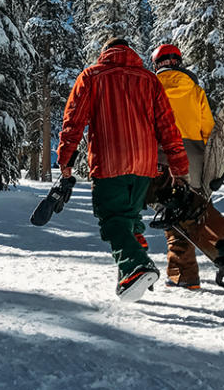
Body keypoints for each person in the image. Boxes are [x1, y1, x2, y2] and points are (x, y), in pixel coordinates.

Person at [58, 38, 189, 301]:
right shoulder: (149, 80)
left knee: (112, 221)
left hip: (109, 162)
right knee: (128, 218)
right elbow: (167, 126)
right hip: (144, 165)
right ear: (130, 53)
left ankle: (136, 267)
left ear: (105, 53)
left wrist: (65, 160)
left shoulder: (92, 76)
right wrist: (179, 166)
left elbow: (74, 120)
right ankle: (131, 274)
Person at [151, 44, 214, 290]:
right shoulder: (196, 90)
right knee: (192, 211)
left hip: (163, 154)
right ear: (178, 62)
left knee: (173, 213)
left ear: (156, 64)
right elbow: (208, 128)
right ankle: (188, 269)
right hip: (195, 157)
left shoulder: (151, 88)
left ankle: (184, 275)